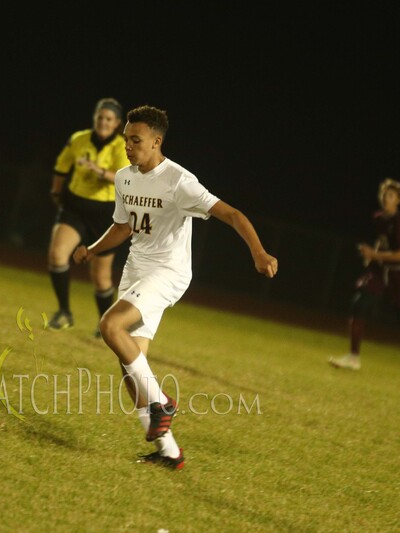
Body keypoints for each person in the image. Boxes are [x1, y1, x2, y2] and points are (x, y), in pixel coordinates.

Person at [73, 105, 278, 469]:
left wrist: (258, 252)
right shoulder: (124, 177)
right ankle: (169, 451)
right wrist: (91, 250)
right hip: (136, 270)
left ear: (156, 141)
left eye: (136, 141)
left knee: (109, 326)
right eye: (126, 140)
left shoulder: (180, 181)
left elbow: (231, 214)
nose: (128, 147)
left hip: (168, 273)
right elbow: (122, 227)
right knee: (129, 360)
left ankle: (162, 404)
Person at [47, 98, 129, 335]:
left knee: (101, 276)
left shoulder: (122, 146)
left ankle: (106, 325)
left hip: (105, 213)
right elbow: (61, 167)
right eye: (100, 117)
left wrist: (100, 171)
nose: (103, 122)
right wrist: (56, 191)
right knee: (57, 255)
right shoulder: (78, 139)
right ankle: (64, 312)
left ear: (116, 124)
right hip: (75, 207)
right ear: (95, 118)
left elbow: (123, 177)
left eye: (109, 119)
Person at [329, 178, 400, 370]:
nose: (386, 198)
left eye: (391, 195)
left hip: (398, 275)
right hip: (380, 271)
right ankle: (353, 358)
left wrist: (375, 254)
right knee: (359, 303)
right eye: (384, 195)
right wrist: (371, 256)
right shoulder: (379, 218)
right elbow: (382, 242)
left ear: (398, 200)